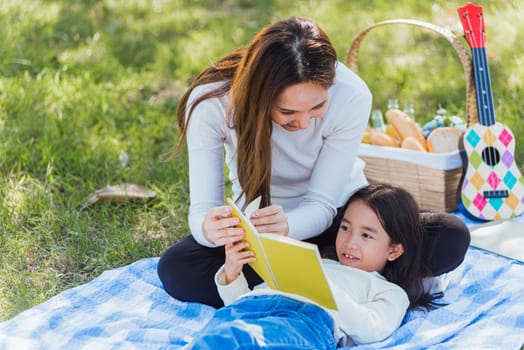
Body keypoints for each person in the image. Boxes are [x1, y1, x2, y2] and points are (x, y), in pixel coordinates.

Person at [157, 16, 470, 308]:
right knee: (177, 270)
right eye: (287, 113)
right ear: (259, 96)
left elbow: (322, 203)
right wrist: (210, 229)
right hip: (262, 231)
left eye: (317, 106)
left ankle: (303, 279)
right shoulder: (212, 103)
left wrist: (290, 226)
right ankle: (347, 276)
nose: (304, 123)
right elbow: (202, 210)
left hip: (341, 220)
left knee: (449, 236)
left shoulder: (351, 95)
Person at [187, 184, 441, 348]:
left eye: (367, 235)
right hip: (248, 307)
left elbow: (373, 329)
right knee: (214, 339)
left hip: (304, 320)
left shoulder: (386, 290)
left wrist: (323, 288)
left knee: (256, 341)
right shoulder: (318, 260)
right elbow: (241, 301)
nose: (350, 242)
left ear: (394, 250)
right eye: (345, 228)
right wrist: (232, 272)